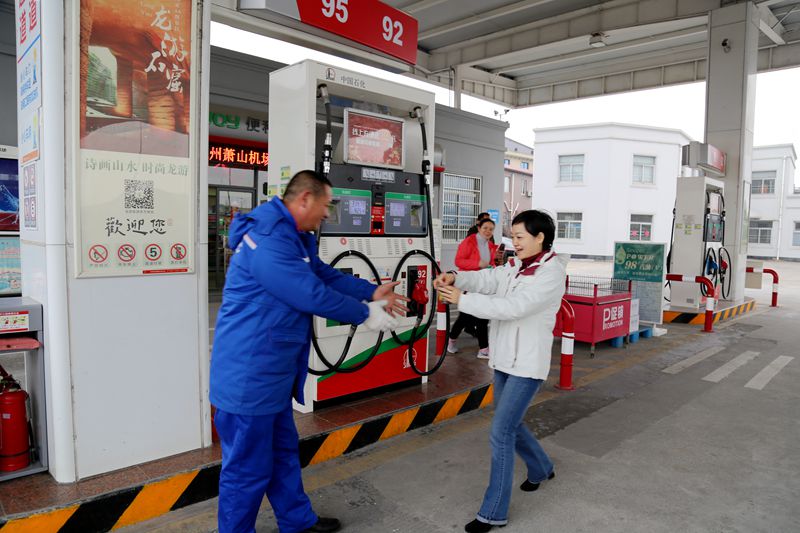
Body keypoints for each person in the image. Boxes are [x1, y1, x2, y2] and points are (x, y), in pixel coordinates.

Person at [210, 170, 408, 533]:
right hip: (249, 375)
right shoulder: (269, 239)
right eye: (326, 204)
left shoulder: (292, 236)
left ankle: (297, 522)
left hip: (272, 372)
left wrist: (370, 291)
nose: (327, 213)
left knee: (283, 454)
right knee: (246, 469)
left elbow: (321, 274)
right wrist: (364, 314)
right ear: (305, 199)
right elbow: (307, 292)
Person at [435, 210, 567, 533]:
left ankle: (493, 511)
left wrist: (463, 300)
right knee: (511, 424)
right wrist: (455, 276)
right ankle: (541, 468)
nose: (515, 242)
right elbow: (487, 278)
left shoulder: (550, 273)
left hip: (527, 364)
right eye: (513, 236)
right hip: (505, 359)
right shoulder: (515, 265)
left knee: (501, 431)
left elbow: (514, 308)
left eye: (521, 236)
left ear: (540, 238)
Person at [447, 218, 499, 359]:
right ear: (479, 228)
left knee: (478, 316)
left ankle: (482, 348)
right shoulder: (469, 242)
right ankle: (454, 341)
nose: (488, 231)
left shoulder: (490, 245)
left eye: (491, 229)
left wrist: (493, 266)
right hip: (469, 284)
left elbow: (490, 263)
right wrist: (478, 264)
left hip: (484, 285)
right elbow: (459, 261)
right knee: (468, 316)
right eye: (485, 228)